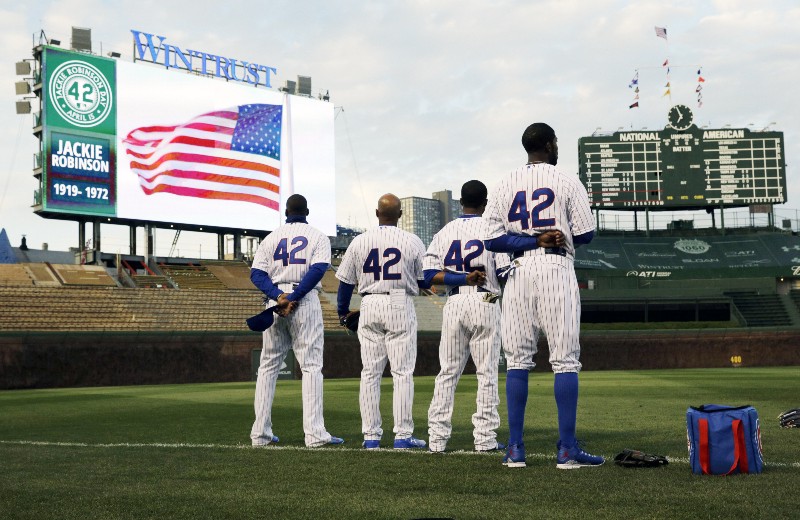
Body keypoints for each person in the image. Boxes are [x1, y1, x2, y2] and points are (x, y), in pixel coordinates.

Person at [484, 122, 603, 469]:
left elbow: (491, 240)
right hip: (554, 270)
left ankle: (515, 450)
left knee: (518, 360)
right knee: (564, 359)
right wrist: (550, 235)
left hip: (518, 272)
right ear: (550, 145)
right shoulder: (565, 179)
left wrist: (529, 240)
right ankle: (567, 450)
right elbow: (585, 234)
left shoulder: (505, 182)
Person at [249, 194, 344, 448]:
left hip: (275, 302)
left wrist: (279, 297)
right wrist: (293, 297)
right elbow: (317, 269)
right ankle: (314, 435)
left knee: (268, 367)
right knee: (311, 366)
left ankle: (260, 434)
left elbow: (257, 274)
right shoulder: (317, 236)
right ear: (307, 211)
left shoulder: (271, 237)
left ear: (286, 212)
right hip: (304, 302)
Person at [336, 193, 429, 450]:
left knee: (370, 374)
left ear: (377, 213)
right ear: (400, 215)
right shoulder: (412, 240)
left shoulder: (359, 241)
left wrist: (343, 313)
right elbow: (424, 280)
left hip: (370, 301)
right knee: (402, 373)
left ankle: (371, 437)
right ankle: (402, 436)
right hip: (399, 299)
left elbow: (345, 282)